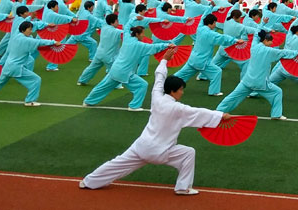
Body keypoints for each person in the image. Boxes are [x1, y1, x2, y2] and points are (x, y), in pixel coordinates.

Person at [80, 47, 231, 195]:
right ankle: (182, 188)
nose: (182, 92)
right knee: (188, 153)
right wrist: (220, 115)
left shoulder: (157, 97)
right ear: (173, 91)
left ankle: (89, 181)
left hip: (142, 146)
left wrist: (164, 60)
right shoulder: (179, 109)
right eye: (181, 89)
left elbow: (159, 78)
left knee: (117, 163)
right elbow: (199, 113)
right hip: (161, 152)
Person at [216, 31, 298, 119]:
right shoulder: (269, 51)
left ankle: (218, 111)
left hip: (247, 81)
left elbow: (256, 35)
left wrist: (263, 27)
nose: (272, 43)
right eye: (270, 41)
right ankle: (276, 115)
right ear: (265, 40)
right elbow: (283, 53)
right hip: (260, 83)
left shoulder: (254, 45)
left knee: (233, 96)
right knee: (277, 92)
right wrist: (297, 53)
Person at [0, 20, 58, 107]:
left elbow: (35, 42)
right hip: (16, 68)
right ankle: (30, 101)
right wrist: (54, 42)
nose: (31, 31)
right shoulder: (25, 40)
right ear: (23, 30)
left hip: (7, 66)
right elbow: (39, 42)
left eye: (31, 29)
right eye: (29, 29)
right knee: (36, 80)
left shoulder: (16, 37)